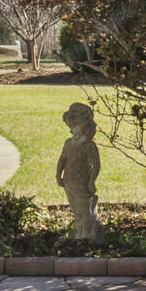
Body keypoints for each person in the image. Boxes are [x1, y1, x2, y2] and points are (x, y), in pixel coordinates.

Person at [55, 101, 103, 244]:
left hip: (82, 182)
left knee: (84, 209)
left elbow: (96, 164)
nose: (72, 131)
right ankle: (79, 232)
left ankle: (86, 234)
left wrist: (91, 181)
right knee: (76, 210)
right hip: (68, 181)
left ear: (85, 127)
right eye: (71, 127)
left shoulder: (89, 145)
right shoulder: (68, 143)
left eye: (75, 127)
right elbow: (62, 159)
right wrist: (58, 175)